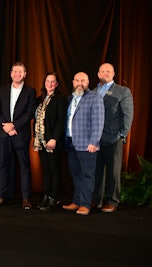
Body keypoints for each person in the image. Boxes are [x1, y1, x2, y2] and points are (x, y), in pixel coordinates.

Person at [0, 62, 37, 209]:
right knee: (3, 165)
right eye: (15, 71)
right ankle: (1, 195)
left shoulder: (30, 91)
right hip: (5, 134)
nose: (17, 74)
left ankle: (26, 198)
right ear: (11, 74)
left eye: (20, 72)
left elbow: (30, 113)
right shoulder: (2, 90)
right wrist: (6, 126)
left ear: (25, 74)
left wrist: (14, 125)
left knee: (24, 166)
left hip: (20, 134)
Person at [92, 63, 134, 213]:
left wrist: (122, 134)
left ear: (113, 73)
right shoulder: (93, 92)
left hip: (113, 138)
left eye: (108, 71)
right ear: (98, 74)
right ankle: (96, 200)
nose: (105, 73)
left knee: (113, 172)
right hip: (96, 140)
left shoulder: (123, 91)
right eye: (102, 71)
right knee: (97, 172)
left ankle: (112, 201)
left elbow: (128, 114)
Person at [63, 72, 104, 215]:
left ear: (88, 82)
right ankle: (77, 201)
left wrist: (94, 141)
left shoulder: (95, 97)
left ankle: (86, 204)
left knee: (87, 175)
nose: (80, 83)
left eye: (83, 80)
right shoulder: (70, 98)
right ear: (73, 82)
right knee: (76, 174)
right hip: (71, 143)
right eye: (77, 80)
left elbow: (98, 122)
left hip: (87, 144)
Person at [33, 72, 67, 210]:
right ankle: (46, 196)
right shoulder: (40, 99)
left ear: (57, 84)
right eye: (48, 81)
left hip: (53, 141)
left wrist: (54, 138)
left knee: (54, 169)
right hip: (40, 141)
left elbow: (61, 120)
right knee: (46, 170)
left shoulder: (60, 99)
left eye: (53, 81)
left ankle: (54, 198)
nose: (50, 84)